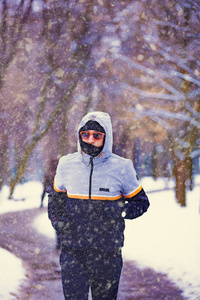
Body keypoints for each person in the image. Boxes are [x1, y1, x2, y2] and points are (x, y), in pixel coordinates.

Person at [48, 111, 150, 300]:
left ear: (106, 137)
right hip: (73, 251)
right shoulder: (66, 164)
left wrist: (121, 211)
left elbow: (141, 202)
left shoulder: (122, 167)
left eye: (97, 135)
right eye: (85, 135)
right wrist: (58, 221)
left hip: (107, 253)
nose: (90, 140)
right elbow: (55, 200)